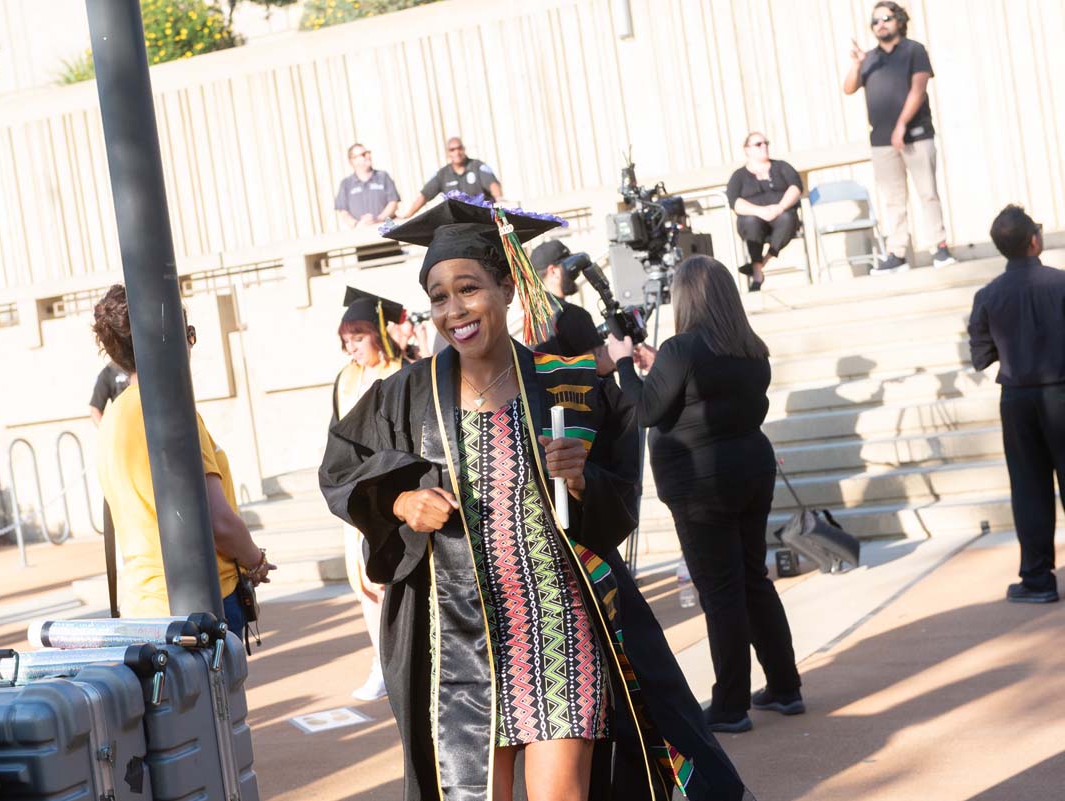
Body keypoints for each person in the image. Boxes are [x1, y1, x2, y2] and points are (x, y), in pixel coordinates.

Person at [321, 196, 750, 801]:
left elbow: (617, 503)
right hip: (458, 632)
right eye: (438, 297)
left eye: (468, 288)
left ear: (508, 286)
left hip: (555, 618)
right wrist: (399, 503)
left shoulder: (566, 383)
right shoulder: (407, 393)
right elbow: (343, 463)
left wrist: (584, 481)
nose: (453, 310)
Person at [608, 255, 802, 734]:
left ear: (686, 298)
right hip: (751, 471)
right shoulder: (750, 348)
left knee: (720, 592)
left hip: (700, 482)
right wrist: (658, 366)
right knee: (752, 580)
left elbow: (649, 410)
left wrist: (622, 366)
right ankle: (784, 686)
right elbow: (699, 388)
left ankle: (730, 705)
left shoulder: (682, 348)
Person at [93, 285, 275, 633]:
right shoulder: (172, 411)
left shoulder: (113, 417)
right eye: (189, 334)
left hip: (144, 602)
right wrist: (256, 561)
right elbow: (218, 521)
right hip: (199, 598)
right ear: (172, 337)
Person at [968, 205, 1065, 604]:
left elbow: (981, 355)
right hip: (1062, 390)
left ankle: (1038, 580)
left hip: (1018, 398)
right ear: (1034, 240)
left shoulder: (988, 295)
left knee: (1028, 487)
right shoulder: (1062, 284)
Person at [333, 286, 407, 700]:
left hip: (396, 492)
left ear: (379, 334)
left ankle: (403, 662)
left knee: (393, 581)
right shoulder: (346, 379)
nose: (351, 347)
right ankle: (380, 660)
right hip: (357, 493)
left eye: (358, 337)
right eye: (346, 339)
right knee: (363, 583)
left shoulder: (402, 373)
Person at [843, 1, 954, 273]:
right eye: (875, 21)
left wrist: (901, 125)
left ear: (899, 21)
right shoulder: (869, 58)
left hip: (915, 136)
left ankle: (938, 248)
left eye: (886, 18)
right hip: (881, 141)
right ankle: (897, 253)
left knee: (927, 193)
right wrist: (857, 64)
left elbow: (918, 89)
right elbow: (848, 88)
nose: (880, 24)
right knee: (893, 199)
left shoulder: (914, 50)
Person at [726, 132, 803, 291]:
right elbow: (735, 202)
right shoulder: (738, 176)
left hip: (781, 217)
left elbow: (796, 187)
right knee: (750, 221)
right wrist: (759, 211)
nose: (764, 146)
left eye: (766, 143)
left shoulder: (782, 166)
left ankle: (759, 266)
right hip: (755, 222)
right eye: (758, 144)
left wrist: (780, 207)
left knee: (787, 218)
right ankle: (758, 269)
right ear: (747, 149)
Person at [528, 239, 606, 359]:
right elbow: (602, 365)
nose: (575, 273)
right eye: (568, 266)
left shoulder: (533, 317)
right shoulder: (573, 315)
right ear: (553, 272)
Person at [403, 137, 502, 218]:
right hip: (458, 220)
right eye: (452, 150)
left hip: (481, 215)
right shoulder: (442, 174)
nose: (457, 153)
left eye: (459, 148)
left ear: (464, 149)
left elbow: (492, 185)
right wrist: (408, 214)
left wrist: (500, 201)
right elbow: (424, 195)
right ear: (448, 153)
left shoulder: (477, 166)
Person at [335, 143, 401, 229]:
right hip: (361, 232)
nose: (368, 156)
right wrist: (357, 224)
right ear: (353, 160)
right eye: (363, 154)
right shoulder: (346, 184)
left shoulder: (383, 176)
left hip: (385, 229)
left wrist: (378, 220)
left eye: (368, 153)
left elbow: (393, 203)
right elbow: (343, 211)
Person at [88, 361, 130, 426]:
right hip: (123, 426)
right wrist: (106, 431)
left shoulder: (140, 364)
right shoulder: (108, 372)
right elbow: (95, 410)